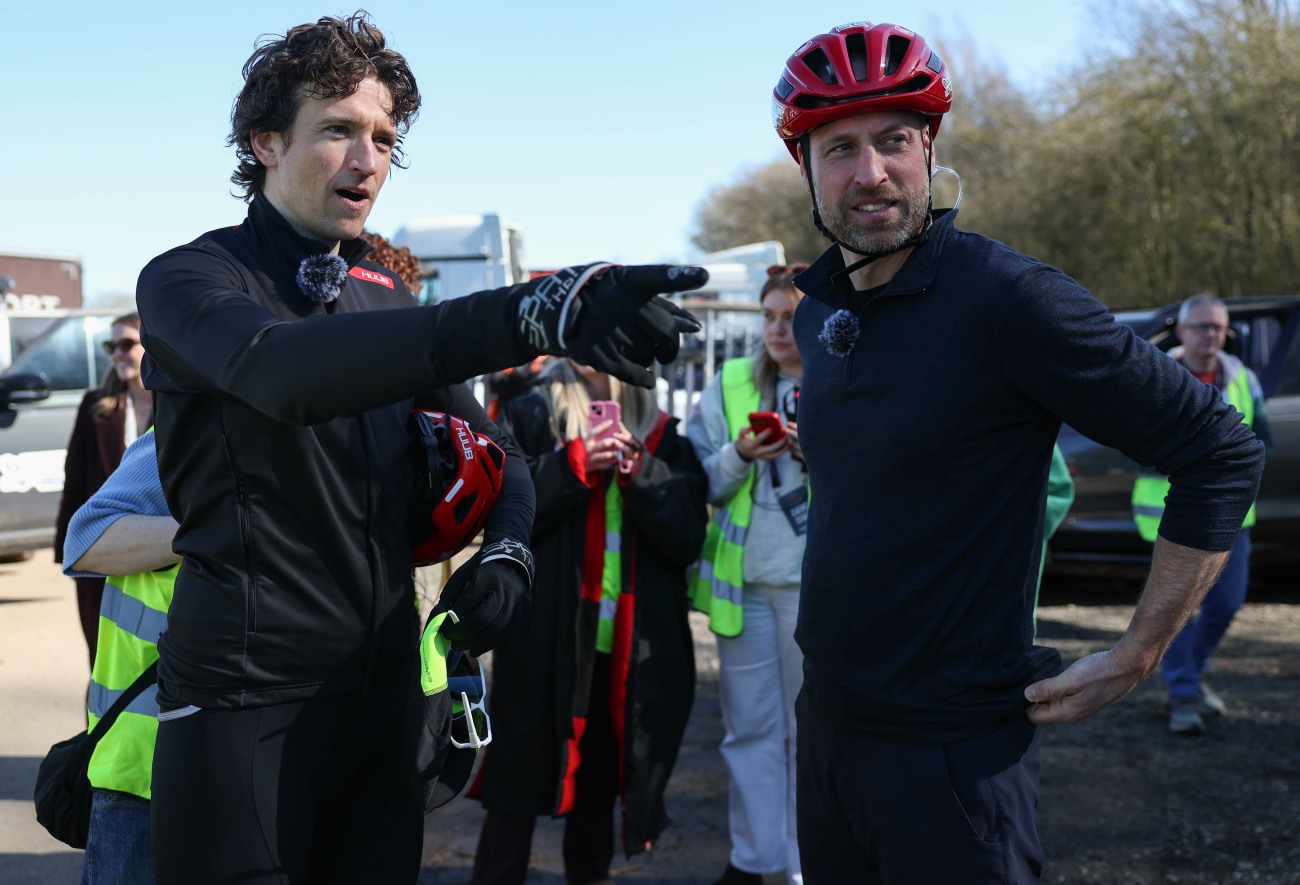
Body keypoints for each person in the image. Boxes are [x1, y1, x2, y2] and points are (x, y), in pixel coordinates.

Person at [134, 13, 705, 884]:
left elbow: (504, 457)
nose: (367, 159)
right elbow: (281, 373)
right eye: (338, 129)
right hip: (242, 703)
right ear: (265, 141)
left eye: (384, 139)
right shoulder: (188, 278)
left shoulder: (383, 293)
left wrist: (509, 552)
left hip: (386, 699)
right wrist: (521, 313)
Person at [770, 22, 1264, 883]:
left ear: (930, 148)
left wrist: (1139, 651)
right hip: (829, 728)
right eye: (840, 148)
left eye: (894, 140)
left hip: (955, 756)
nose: (871, 171)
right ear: (805, 167)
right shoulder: (817, 312)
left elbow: (1219, 450)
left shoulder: (1008, 299)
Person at [469, 358, 707, 885]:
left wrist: (640, 470)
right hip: (544, 636)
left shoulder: (664, 434)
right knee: (516, 781)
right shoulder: (532, 411)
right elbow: (501, 507)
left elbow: (688, 536)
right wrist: (571, 464)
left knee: (598, 783)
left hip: (624, 644)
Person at [686, 265, 808, 885]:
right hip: (744, 589)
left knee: (812, 735)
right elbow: (695, 480)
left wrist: (817, 454)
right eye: (768, 316)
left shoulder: (849, 377)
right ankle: (755, 862)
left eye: (790, 316)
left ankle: (806, 868)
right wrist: (739, 453)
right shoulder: (732, 380)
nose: (777, 330)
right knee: (750, 733)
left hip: (817, 592)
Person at [1131, 294, 1271, 735]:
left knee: (1226, 604)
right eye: (1201, 326)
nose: (1209, 335)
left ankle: (1189, 673)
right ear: (1182, 331)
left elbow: (1262, 441)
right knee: (1175, 610)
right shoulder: (1153, 372)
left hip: (1230, 517)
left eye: (1217, 327)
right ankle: (1184, 696)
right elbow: (1129, 444)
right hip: (1167, 518)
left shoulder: (1243, 377)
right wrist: (1194, 463)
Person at [63, 430, 176, 885]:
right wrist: (213, 531)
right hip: (139, 770)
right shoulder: (192, 425)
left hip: (245, 760)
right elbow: (85, 537)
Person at [54, 311, 153, 666]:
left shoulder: (179, 405)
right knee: (103, 660)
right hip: (103, 551)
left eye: (127, 344)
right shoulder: (96, 406)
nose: (117, 354)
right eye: (111, 346)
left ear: (152, 344)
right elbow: (75, 482)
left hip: (157, 553)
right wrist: (68, 550)